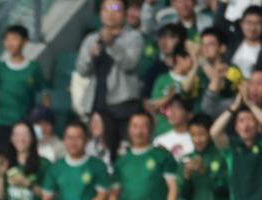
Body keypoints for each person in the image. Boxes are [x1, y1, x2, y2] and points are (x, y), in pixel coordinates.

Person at [76, 1, 145, 158]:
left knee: (122, 152)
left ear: (125, 13)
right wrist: (90, 56)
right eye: (106, 9)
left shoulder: (133, 37)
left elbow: (130, 63)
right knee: (98, 152)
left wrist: (111, 44)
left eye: (115, 9)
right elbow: (81, 70)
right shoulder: (91, 39)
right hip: (97, 104)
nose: (110, 13)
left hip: (123, 106)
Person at [210, 87, 262, 200]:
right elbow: (214, 132)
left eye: (250, 120)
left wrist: (251, 105)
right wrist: (234, 107)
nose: (246, 125)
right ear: (236, 127)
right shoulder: (231, 147)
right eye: (241, 121)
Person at [0, 25, 48, 153]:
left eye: (14, 38)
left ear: (25, 42)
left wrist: (43, 121)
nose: (10, 43)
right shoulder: (0, 68)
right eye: (7, 39)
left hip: (25, 124)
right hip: (2, 123)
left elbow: (44, 94)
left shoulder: (33, 68)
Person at [148, 43, 200, 135]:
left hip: (184, 133)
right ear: (179, 58)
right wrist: (168, 97)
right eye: (191, 58)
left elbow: (186, 89)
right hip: (162, 131)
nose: (193, 62)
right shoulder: (162, 79)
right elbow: (152, 106)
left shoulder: (195, 80)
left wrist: (196, 64)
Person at [199, 27, 245, 117]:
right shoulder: (198, 70)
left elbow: (220, 85)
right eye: (202, 44)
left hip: (227, 115)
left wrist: (202, 61)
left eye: (210, 44)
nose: (205, 48)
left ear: (222, 48)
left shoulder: (232, 69)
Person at [141, 0, 214, 42]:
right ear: (173, 4)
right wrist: (149, 5)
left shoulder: (209, 22)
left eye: (188, 0)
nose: (184, 5)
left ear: (194, 2)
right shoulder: (167, 25)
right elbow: (147, 29)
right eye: (180, 1)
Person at [153, 94, 196, 158]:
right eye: (169, 108)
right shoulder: (159, 141)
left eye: (177, 108)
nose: (172, 111)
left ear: (190, 114)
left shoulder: (198, 139)